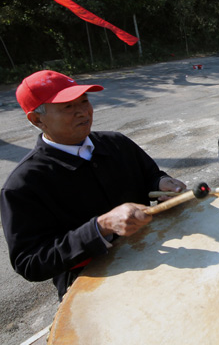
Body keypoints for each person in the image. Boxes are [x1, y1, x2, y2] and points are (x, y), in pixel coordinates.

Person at [1, 70, 186, 299]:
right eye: (67, 107)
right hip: (94, 287)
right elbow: (30, 262)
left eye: (84, 101)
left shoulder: (116, 143)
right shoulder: (24, 184)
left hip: (158, 255)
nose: (83, 112)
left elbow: (150, 175)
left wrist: (162, 183)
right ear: (37, 119)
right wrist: (100, 227)